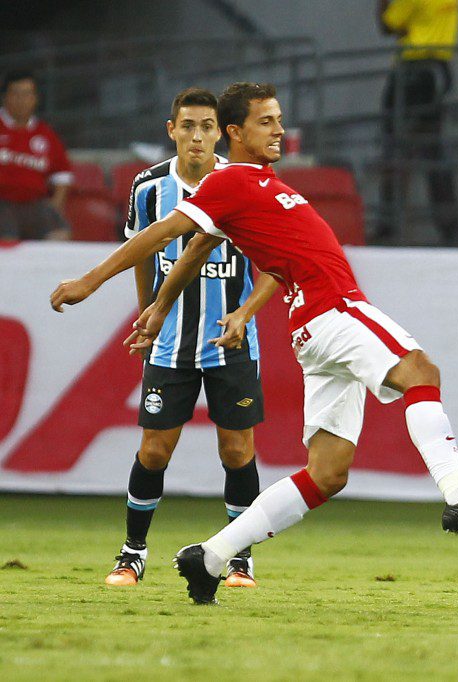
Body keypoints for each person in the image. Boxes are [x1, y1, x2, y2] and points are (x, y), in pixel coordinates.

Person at [50, 82, 458, 605]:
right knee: (421, 372)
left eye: (279, 119)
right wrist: (91, 281)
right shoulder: (230, 184)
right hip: (334, 307)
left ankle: (210, 557)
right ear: (235, 132)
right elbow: (160, 234)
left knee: (327, 473)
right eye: (266, 121)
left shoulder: (258, 184)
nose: (279, 130)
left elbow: (199, 246)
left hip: (311, 328)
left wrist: (159, 305)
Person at [104, 87, 279, 589]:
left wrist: (244, 312)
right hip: (169, 343)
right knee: (155, 450)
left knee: (237, 451)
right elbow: (140, 251)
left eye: (207, 126)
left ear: (220, 133)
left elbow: (272, 264)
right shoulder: (148, 188)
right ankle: (133, 553)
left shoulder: (244, 183)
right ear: (172, 130)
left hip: (231, 341)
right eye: (188, 126)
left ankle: (240, 557)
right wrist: (146, 314)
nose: (197, 136)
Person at [377, 0, 458, 244]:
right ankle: (449, 227)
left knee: (394, 148)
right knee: (433, 149)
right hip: (438, 71)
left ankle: (388, 225)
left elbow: (388, 24)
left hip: (412, 71)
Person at [0, 69, 73, 240]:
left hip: (36, 204)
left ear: (35, 98)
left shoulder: (46, 134)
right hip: (3, 205)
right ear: (5, 97)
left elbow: (62, 175)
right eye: (15, 94)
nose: (21, 100)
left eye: (27, 94)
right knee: (7, 242)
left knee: (60, 235)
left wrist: (54, 207)